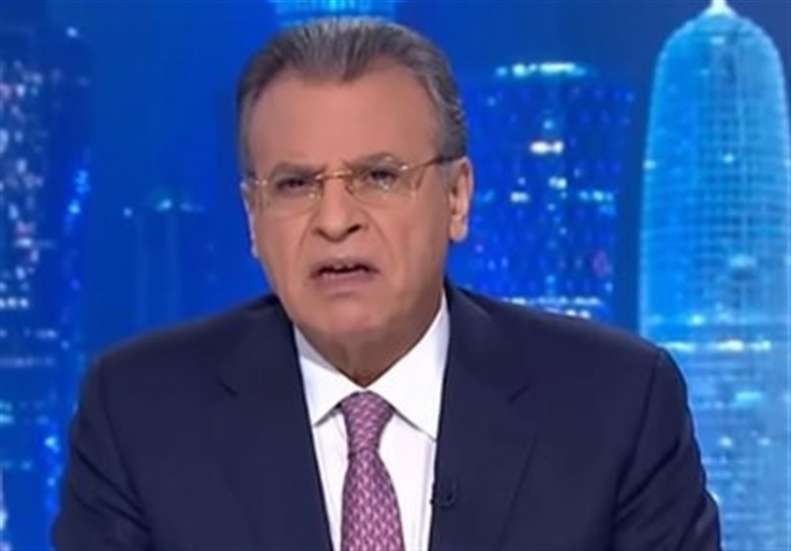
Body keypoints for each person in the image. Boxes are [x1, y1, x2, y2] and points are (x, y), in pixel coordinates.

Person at [52, 17, 720, 551]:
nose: (334, 220)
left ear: (456, 197)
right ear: (253, 218)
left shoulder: (616, 406)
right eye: (295, 184)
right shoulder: (140, 416)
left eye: (378, 176)